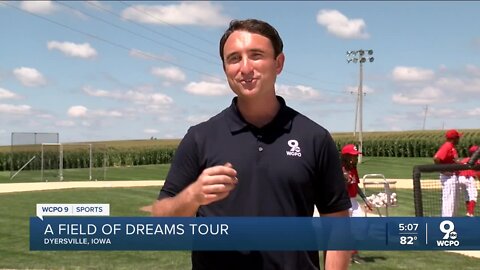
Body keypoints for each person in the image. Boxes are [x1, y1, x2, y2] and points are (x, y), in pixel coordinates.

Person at [151, 19, 351, 270]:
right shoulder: (200, 137)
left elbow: (338, 226)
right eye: (234, 58)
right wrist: (191, 197)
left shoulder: (314, 137)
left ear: (278, 63)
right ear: (225, 68)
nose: (245, 68)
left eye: (256, 56)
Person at [340, 144, 372, 264]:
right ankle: (351, 255)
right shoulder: (339, 169)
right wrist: (343, 180)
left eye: (355, 156)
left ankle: (352, 253)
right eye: (353, 156)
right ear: (346, 156)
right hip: (343, 201)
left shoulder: (353, 168)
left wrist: (365, 200)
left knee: (361, 227)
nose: (355, 158)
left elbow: (356, 186)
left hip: (353, 202)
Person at [433, 129, 461, 217]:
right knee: (449, 203)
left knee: (454, 203)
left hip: (452, 177)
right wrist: (443, 170)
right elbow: (436, 158)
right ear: (454, 138)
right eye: (458, 137)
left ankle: (452, 225)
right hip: (448, 178)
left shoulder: (451, 146)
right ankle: (446, 225)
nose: (459, 139)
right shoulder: (447, 146)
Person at [458, 145, 479, 217]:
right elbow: (478, 173)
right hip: (468, 178)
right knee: (473, 196)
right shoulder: (476, 160)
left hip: (460, 178)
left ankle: (468, 213)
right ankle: (471, 213)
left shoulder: (464, 160)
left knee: (466, 196)